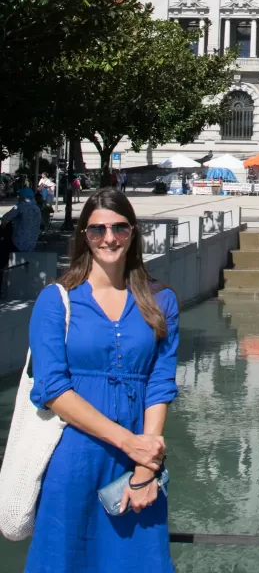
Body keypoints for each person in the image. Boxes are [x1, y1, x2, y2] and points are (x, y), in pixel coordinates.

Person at [24, 187, 179, 572]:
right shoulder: (56, 300)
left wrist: (145, 468)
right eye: (97, 230)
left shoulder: (162, 301)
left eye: (119, 228)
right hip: (73, 457)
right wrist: (133, 444)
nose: (109, 238)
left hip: (138, 462)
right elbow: (52, 389)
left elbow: (160, 384)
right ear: (84, 236)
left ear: (133, 232)